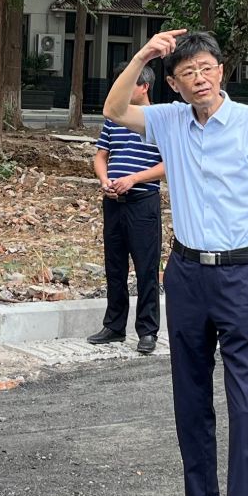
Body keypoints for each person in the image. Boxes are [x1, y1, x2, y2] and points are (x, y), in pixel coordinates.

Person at [103, 28, 248, 496]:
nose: (200, 79)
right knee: (190, 401)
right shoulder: (167, 121)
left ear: (221, 71)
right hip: (186, 272)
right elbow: (114, 110)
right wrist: (143, 53)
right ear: (173, 83)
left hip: (242, 272)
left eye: (207, 68)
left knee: (246, 407)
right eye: (188, 73)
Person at [88, 69, 166, 354]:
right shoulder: (114, 119)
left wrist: (134, 179)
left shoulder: (159, 120)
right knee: (115, 266)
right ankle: (114, 326)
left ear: (144, 87)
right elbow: (101, 156)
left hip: (143, 202)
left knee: (146, 268)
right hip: (113, 203)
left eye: (129, 83)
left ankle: (148, 331)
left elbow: (168, 165)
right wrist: (104, 180)